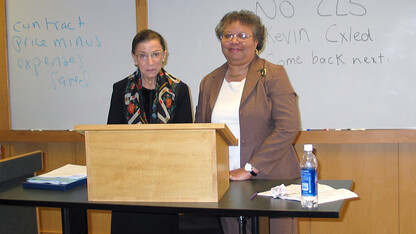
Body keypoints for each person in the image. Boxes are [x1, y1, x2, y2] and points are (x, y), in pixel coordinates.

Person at [195, 10, 301, 234]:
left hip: (273, 180)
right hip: (227, 182)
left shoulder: (273, 74)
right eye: (227, 35)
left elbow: (288, 127)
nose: (234, 41)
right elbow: (201, 132)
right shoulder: (209, 81)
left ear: (257, 42)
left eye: (242, 36)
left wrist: (250, 169)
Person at [107, 29, 192, 234]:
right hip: (127, 183)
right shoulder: (120, 89)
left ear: (164, 55)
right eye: (143, 55)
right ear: (134, 58)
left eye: (155, 54)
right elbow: (110, 137)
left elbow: (186, 140)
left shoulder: (179, 90)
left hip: (164, 183)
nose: (150, 62)